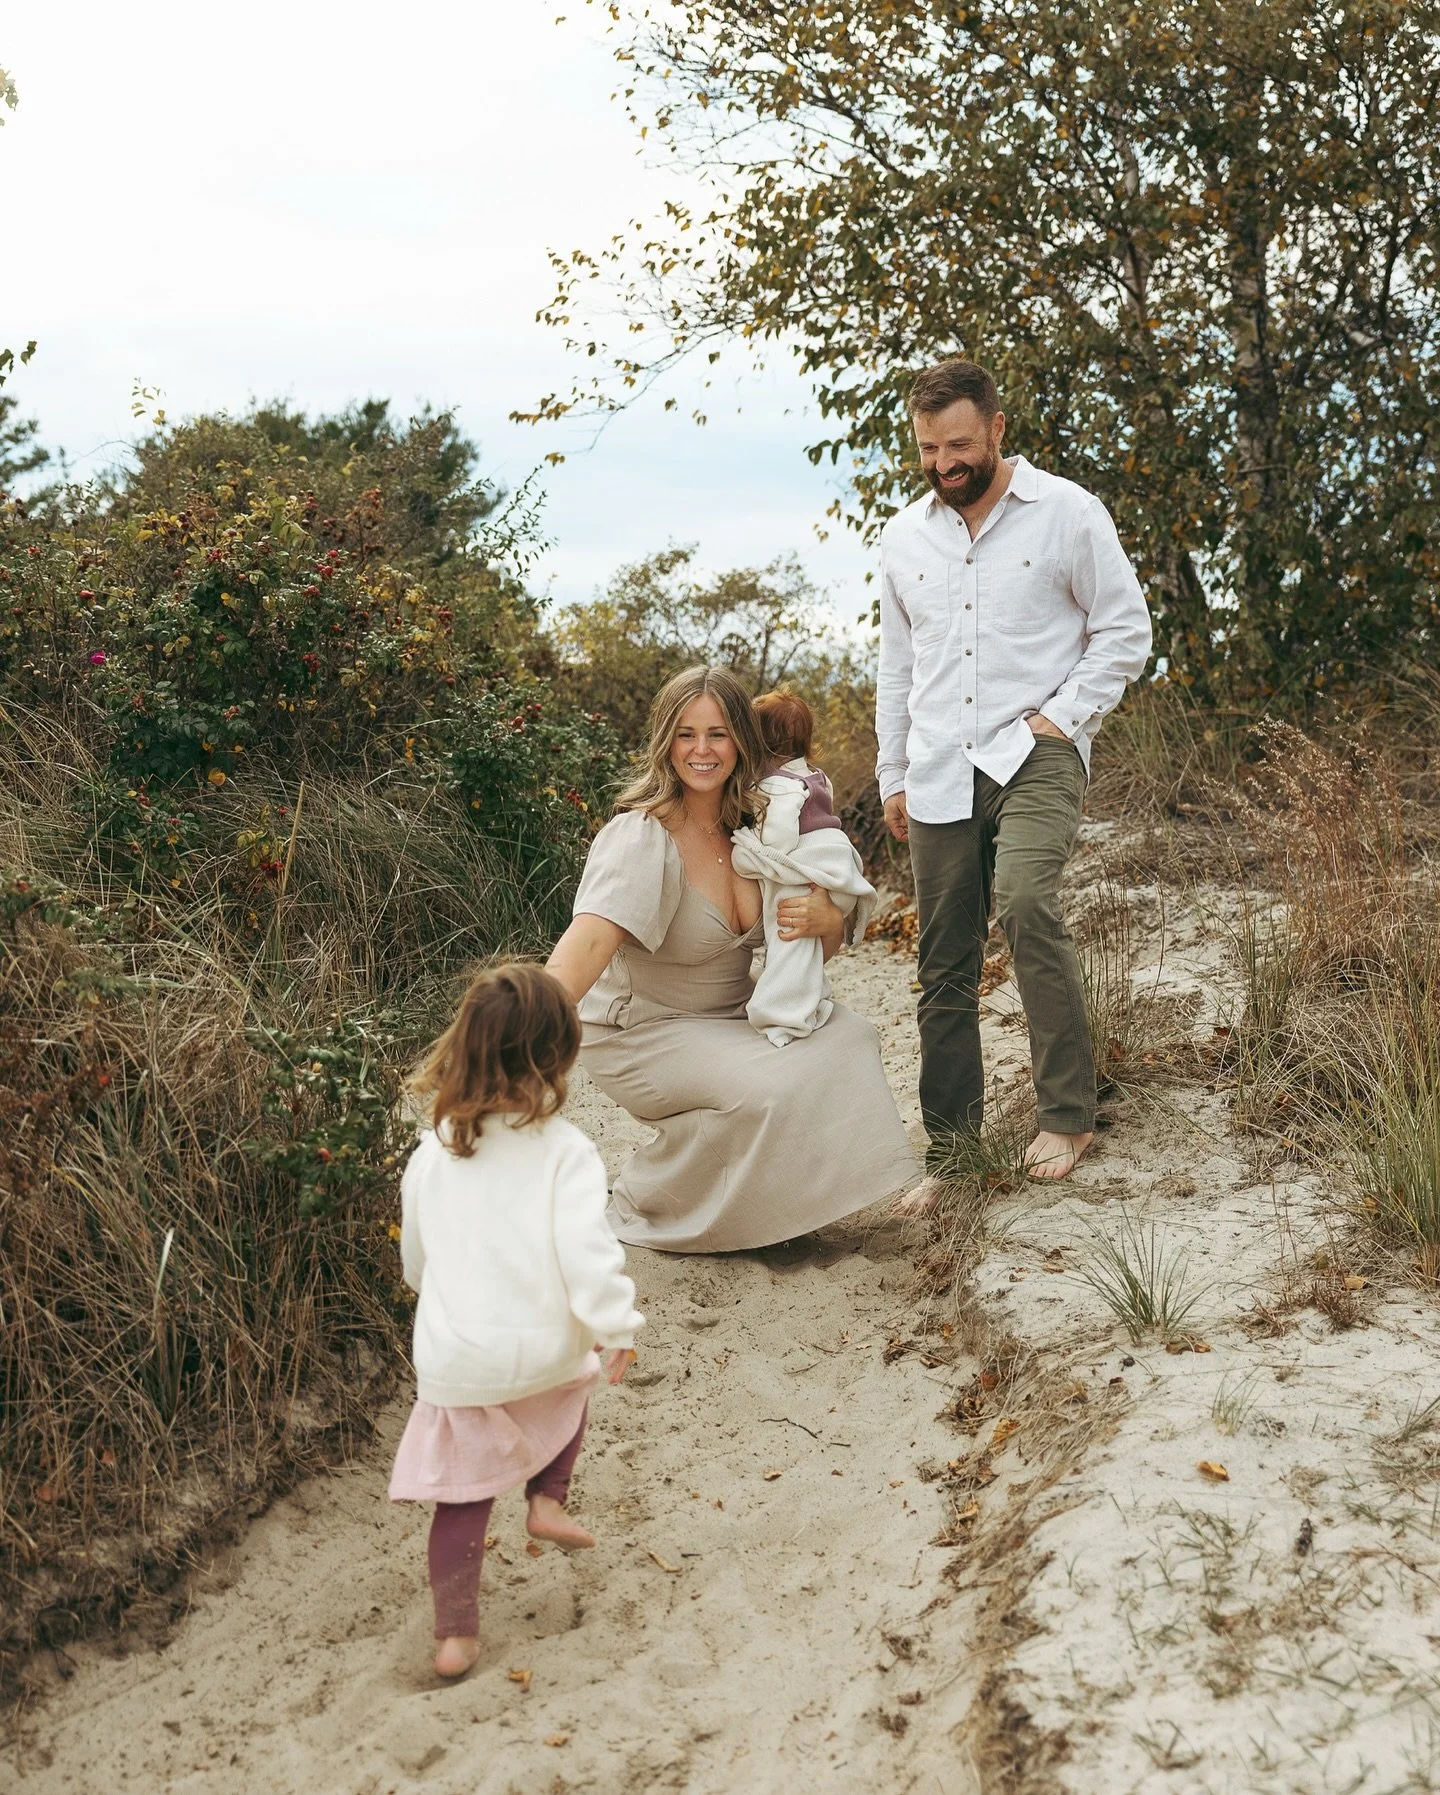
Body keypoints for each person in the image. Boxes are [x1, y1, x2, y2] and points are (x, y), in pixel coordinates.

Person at [877, 358, 1152, 1204]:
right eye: (928, 447)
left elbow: (1125, 629)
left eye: (958, 443)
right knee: (944, 958)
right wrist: (893, 770)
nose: (943, 462)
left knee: (1028, 901)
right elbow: (896, 666)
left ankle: (1066, 1112)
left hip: (1034, 752)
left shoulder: (1068, 512)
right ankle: (953, 1154)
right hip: (937, 767)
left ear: (997, 428)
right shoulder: (902, 538)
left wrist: (1062, 719)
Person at [547, 664, 919, 1252]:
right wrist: (516, 1034)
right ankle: (657, 1198)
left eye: (718, 734)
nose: (702, 750)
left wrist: (831, 922)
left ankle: (768, 1201)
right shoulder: (643, 835)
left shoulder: (760, 826)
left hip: (730, 1018)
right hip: (642, 1029)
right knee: (773, 1087)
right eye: (686, 733)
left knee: (849, 1039)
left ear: (742, 741)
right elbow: (588, 944)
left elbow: (815, 940)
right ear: (664, 739)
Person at [388, 962, 644, 1679]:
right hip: (540, 1350)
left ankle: (455, 1636)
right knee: (576, 1380)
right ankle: (547, 1496)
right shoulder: (564, 1151)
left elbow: (416, 1256)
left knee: (462, 1499)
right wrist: (615, 1322)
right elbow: (586, 1251)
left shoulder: (433, 1152)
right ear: (555, 1058)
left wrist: (437, 1297)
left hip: (457, 1358)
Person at [730, 690, 877, 1047]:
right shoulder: (816, 776)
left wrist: (749, 841)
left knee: (788, 938)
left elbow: (778, 841)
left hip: (815, 868)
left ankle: (781, 1012)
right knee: (803, 945)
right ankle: (811, 992)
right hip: (839, 867)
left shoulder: (777, 785)